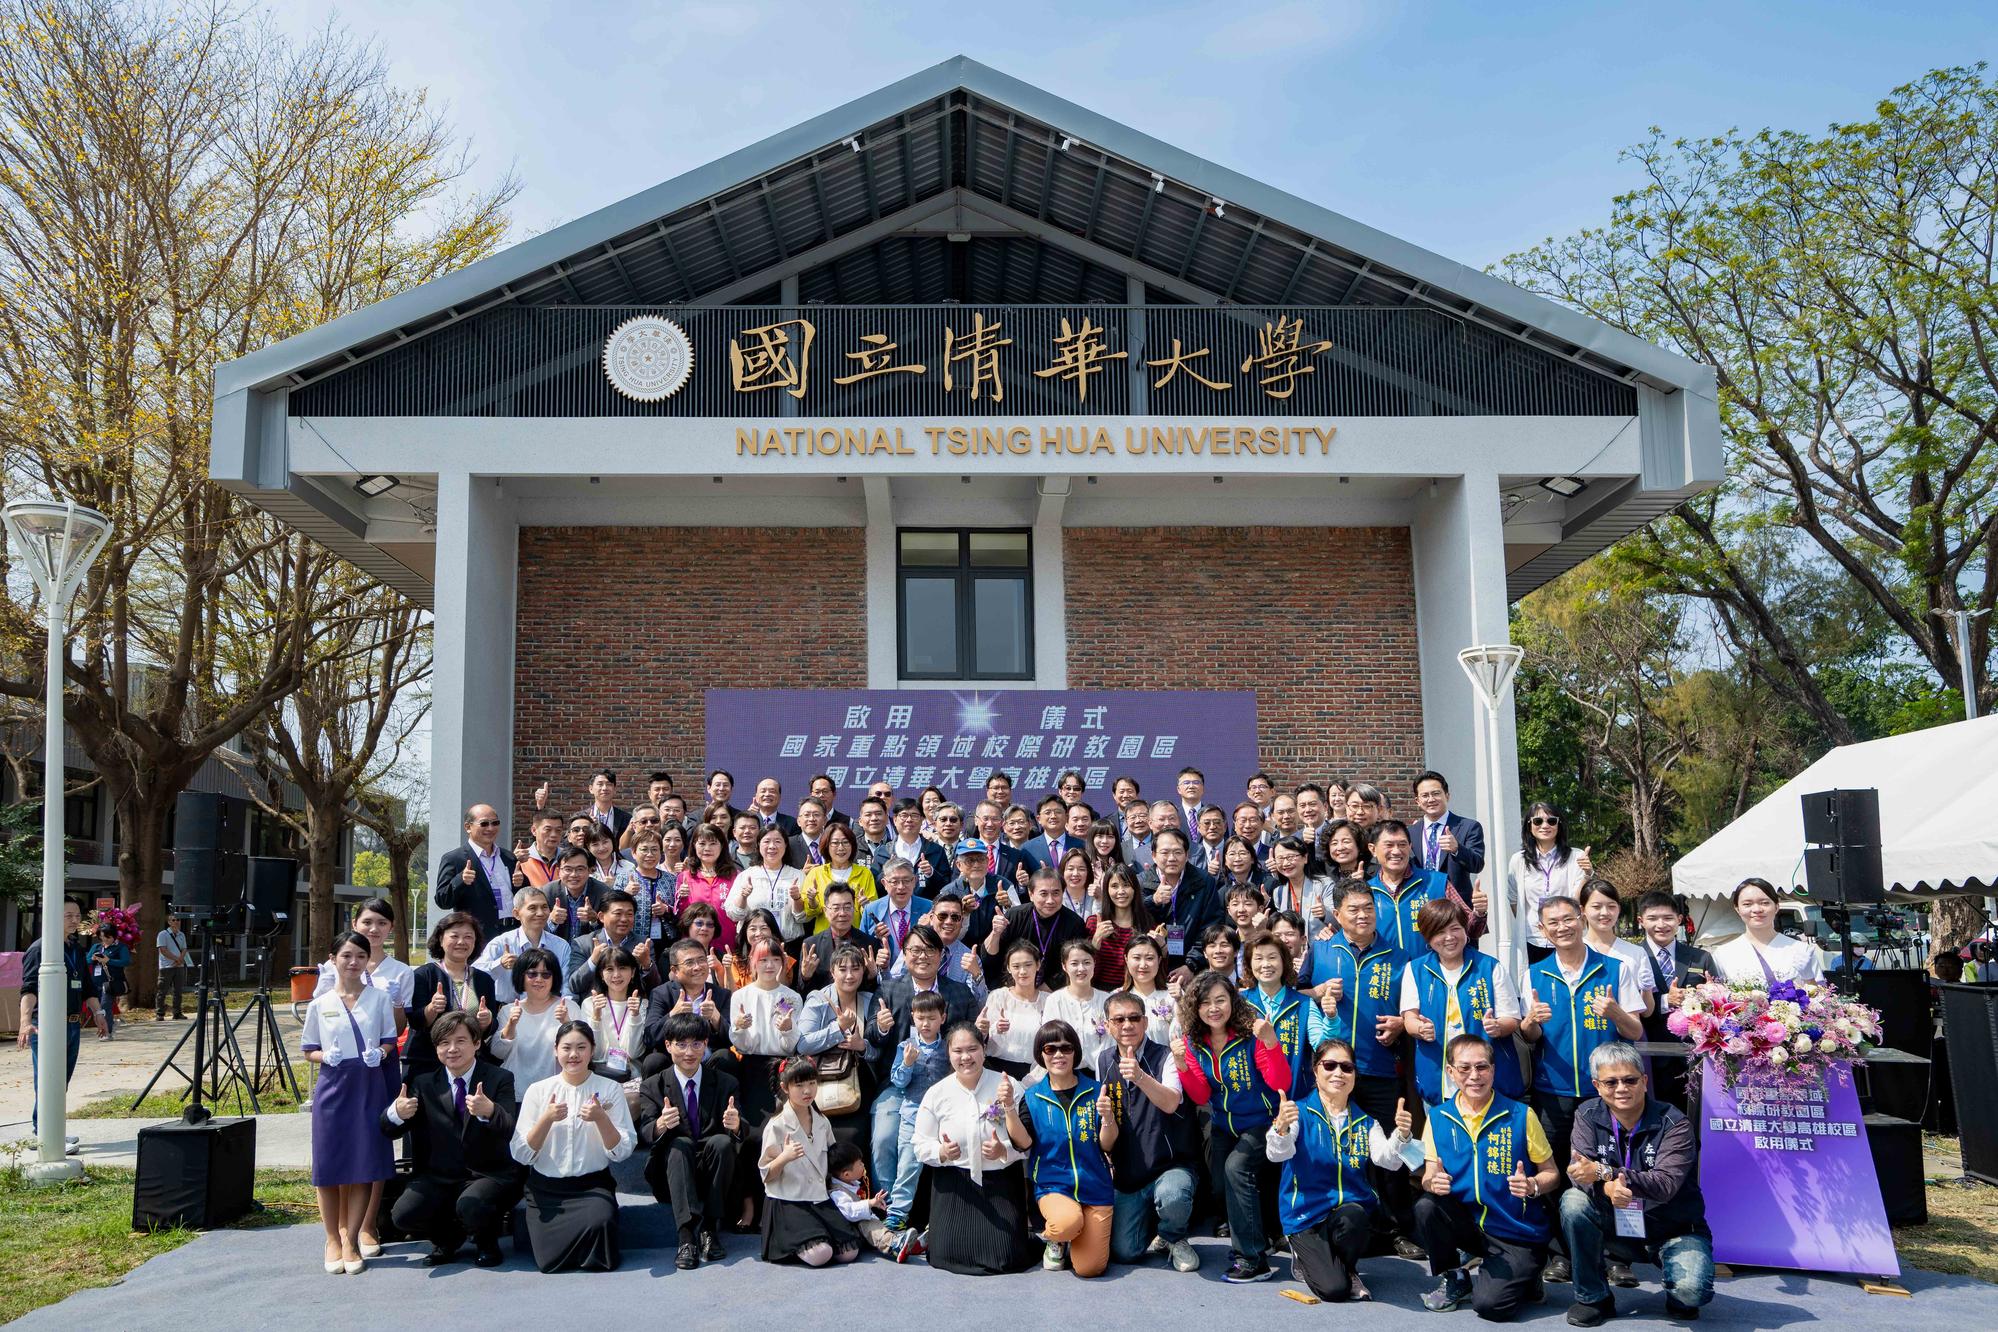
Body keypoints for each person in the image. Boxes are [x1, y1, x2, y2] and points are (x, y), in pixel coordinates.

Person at [1522, 894, 1644, 1281]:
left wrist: (1615, 1012)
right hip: (1554, 1090)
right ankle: (1562, 1254)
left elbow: (1635, 1030)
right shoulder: (1535, 974)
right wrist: (1531, 1022)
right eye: (1552, 923)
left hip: (1605, 1092)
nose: (1562, 927)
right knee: (1556, 1172)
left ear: (1580, 919)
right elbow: (1529, 1036)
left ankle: (1616, 1256)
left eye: (1568, 919)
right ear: (1542, 930)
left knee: (1613, 1170)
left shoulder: (1615, 968)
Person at [1559, 1042, 1714, 1325]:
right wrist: (1607, 1186)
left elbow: (1665, 1185)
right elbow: (1580, 1171)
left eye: (1630, 1080)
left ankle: (1677, 1293)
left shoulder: (1674, 1123)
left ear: (1644, 1081)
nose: (1621, 1088)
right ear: (1597, 1086)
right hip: (1616, 1224)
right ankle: (1593, 1298)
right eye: (1611, 1082)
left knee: (1691, 1293)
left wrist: (1604, 1172)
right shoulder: (1587, 1114)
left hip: (1671, 1227)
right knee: (1573, 1201)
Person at [1415, 1034, 1558, 1319]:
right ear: (1450, 1071)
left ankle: (1529, 1274)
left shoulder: (1521, 1115)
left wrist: (1532, 1185)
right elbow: (1429, 1175)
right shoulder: (1438, 1117)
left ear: (1493, 1069)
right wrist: (1433, 1182)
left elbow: (1551, 1173)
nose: (1474, 1076)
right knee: (1426, 1206)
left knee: (1491, 1306)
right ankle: (1455, 1276)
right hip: (1469, 1224)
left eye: (1482, 1067)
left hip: (1514, 1230)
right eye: (1464, 1068)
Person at [1265, 1037, 1418, 1302]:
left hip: (1346, 1216)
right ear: (1315, 1071)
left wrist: (1402, 1135)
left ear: (1355, 1076)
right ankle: (1304, 1256)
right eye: (1330, 1065)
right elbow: (1276, 1154)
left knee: (1356, 1216)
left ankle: (1348, 1268)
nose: (1338, 1073)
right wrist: (1281, 1128)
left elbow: (1388, 1160)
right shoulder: (1298, 1113)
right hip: (1305, 1217)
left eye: (1347, 1067)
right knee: (1334, 1290)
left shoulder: (1366, 1122)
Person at [1305, 880, 1411, 1241]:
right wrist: (1318, 991)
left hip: (1379, 1067)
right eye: (1353, 909)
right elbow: (1295, 993)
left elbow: (1412, 1010)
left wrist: (1401, 1024)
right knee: (1337, 1150)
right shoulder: (1321, 950)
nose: (1363, 915)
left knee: (1390, 1149)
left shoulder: (1399, 957)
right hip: (1333, 1073)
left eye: (1368, 907)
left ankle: (1397, 1229)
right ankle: (1336, 1225)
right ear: (1337, 914)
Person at [380, 1010, 523, 1268]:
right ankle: (447, 1239)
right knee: (403, 1214)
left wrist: (490, 1111)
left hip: (487, 1175)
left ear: (476, 1043)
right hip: (439, 1176)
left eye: (460, 1041)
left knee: (472, 1205)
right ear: (436, 1049)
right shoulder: (423, 1083)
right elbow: (388, 1130)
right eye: (444, 1043)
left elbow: (510, 1129)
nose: (452, 1049)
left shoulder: (499, 1078)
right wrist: (396, 1114)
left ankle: (486, 1242)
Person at [1174, 969, 1291, 1283]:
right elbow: (1201, 1095)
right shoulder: (1193, 1042)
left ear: (1232, 1002)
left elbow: (1280, 1082)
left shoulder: (1252, 1035)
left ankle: (1252, 1260)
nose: (1213, 1008)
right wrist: (1183, 1066)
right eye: (1205, 1002)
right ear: (1195, 1008)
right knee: (1220, 1184)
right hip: (1224, 1124)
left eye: (1220, 1000)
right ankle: (1259, 1239)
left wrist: (1271, 1042)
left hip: (1262, 1122)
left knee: (1236, 1169)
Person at [303, 930, 399, 1274]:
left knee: (363, 1165)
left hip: (368, 1087)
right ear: (333, 959)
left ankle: (351, 1239)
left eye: (360, 956)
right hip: (333, 1089)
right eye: (346, 955)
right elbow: (308, 1049)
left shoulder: (379, 999)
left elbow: (389, 1040)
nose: (353, 962)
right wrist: (324, 1056)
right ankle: (332, 1238)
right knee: (328, 1167)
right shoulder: (320, 1004)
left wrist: (381, 1053)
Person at [509, 1019, 634, 1271]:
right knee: (548, 1262)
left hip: (592, 1186)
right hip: (547, 1189)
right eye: (566, 1048)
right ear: (556, 1050)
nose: (573, 1054)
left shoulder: (610, 1089)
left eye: (581, 1047)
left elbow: (622, 1151)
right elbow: (521, 1153)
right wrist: (546, 1119)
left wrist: (601, 1118)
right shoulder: (538, 1091)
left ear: (592, 1050)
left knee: (600, 1226)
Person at [912, 1021, 1036, 1274]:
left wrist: (1004, 1151)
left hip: (1000, 1182)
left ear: (984, 1050)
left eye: (972, 1049)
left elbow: (1027, 1144)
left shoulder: (1008, 1085)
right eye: (958, 1051)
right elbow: (920, 1144)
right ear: (948, 1054)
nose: (965, 1057)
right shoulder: (937, 1093)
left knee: (1006, 1258)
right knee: (946, 1255)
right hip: (954, 1184)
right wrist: (941, 1152)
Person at [871, 925, 979, 1208]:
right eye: (915, 950)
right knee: (883, 1138)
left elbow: (972, 1035)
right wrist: (881, 1028)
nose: (922, 956)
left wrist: (983, 1031)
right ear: (904, 954)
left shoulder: (958, 992)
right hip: (897, 1084)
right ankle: (885, 1209)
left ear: (941, 955)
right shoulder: (888, 990)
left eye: (930, 950)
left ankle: (942, 1212)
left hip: (944, 1087)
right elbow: (871, 1036)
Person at [1007, 1019, 1119, 1277]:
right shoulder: (1033, 1097)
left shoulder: (1096, 1091)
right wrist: (1009, 1109)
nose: (1058, 1055)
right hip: (1053, 1186)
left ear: (1075, 1052)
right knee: (1067, 1222)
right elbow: (1024, 1143)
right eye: (1050, 1049)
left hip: (1096, 1186)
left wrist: (1108, 1118)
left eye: (1066, 1048)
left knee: (1090, 1268)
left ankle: (1076, 1232)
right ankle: (1056, 1238)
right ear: (1041, 1054)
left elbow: (1108, 1144)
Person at [1098, 990, 1199, 1272]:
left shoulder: (1165, 1056)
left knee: (1173, 1196)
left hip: (1170, 1165)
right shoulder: (1103, 1061)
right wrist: (1106, 1119)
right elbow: (1108, 1133)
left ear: (1145, 1022)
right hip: (1130, 1172)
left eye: (1134, 1018)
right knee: (1125, 1252)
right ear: (1107, 1025)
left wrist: (1140, 1076)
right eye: (1118, 1020)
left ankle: (1174, 1236)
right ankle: (1156, 1230)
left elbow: (1171, 1102)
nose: (1127, 1025)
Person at [637, 1011, 743, 1269]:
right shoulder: (653, 1086)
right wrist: (660, 1125)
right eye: (681, 1044)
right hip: (672, 1170)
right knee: (679, 1144)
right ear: (668, 1045)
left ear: (706, 1044)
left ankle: (709, 1229)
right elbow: (645, 1130)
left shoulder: (725, 1082)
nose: (689, 1052)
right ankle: (686, 1238)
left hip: (711, 1173)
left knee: (722, 1143)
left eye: (696, 1044)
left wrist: (737, 1125)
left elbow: (742, 1127)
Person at [1400, 899, 1524, 1104]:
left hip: (1485, 1079)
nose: (1449, 937)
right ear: (1427, 936)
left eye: (1455, 929)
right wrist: (1420, 1029)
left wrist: (1497, 1027)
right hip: (1439, 1076)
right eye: (1439, 932)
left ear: (1465, 930)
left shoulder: (1490, 967)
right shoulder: (1415, 970)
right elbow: (1409, 1018)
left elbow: (1511, 1019)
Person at [759, 1058, 861, 1265]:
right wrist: (784, 1157)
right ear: (785, 1088)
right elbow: (766, 1175)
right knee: (820, 1254)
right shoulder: (776, 1125)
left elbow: (833, 1159)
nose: (807, 1091)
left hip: (819, 1198)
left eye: (812, 1083)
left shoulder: (822, 1121)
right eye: (799, 1085)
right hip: (789, 1201)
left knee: (849, 1252)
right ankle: (792, 1243)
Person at [796, 943, 887, 1154]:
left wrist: (861, 1046)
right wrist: (838, 1028)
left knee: (858, 1139)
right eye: (843, 969)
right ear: (832, 971)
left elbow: (879, 1051)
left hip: (860, 1084)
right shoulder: (818, 999)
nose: (849, 975)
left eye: (855, 969)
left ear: (863, 971)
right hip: (823, 1081)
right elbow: (803, 1044)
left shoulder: (869, 1000)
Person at [885, 991, 952, 1227]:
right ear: (912, 1016)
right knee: (908, 1165)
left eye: (932, 1018)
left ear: (943, 1018)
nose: (926, 1024)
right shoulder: (906, 1046)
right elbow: (897, 1082)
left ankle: (943, 1219)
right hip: (912, 1114)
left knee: (946, 1165)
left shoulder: (949, 1048)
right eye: (921, 1018)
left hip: (943, 1116)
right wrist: (907, 1063)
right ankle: (897, 1215)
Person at [406, 911, 498, 1079]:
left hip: (470, 1065)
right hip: (429, 1064)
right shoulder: (423, 975)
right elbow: (415, 1021)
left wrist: (487, 1021)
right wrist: (431, 1009)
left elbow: (491, 1026)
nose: (461, 942)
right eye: (454, 936)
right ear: (441, 939)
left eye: (468, 937)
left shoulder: (484, 980)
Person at [1242, 929, 1331, 1092]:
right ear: (1249, 964)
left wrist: (1331, 1019)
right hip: (1254, 1100)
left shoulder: (1304, 1004)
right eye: (1258, 958)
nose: (1266, 964)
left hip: (1294, 1097)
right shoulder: (1240, 1003)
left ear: (1284, 962)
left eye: (1272, 957)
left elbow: (1323, 1046)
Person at [981, 866, 1088, 990]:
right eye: (1043, 894)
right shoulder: (1015, 916)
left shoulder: (1074, 923)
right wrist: (995, 934)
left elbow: (1074, 964)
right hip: (1012, 987)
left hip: (1052, 991)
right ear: (1031, 894)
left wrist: (1040, 993)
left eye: (1056, 893)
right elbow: (988, 958)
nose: (1050, 900)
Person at [1508, 803, 1592, 961]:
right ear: (1529, 826)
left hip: (1566, 936)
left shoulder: (1576, 857)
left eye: (1551, 821)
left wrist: (1587, 875)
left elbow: (1577, 900)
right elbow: (1514, 900)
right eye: (1538, 821)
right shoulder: (1518, 860)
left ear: (1559, 825)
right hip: (1532, 939)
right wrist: (1533, 922)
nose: (1545, 825)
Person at [1369, 820, 1459, 964]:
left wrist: (1479, 913)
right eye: (1389, 845)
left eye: (1402, 844)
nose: (1396, 851)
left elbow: (1467, 926)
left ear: (1410, 847)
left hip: (1430, 971)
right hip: (1386, 973)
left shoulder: (1436, 882)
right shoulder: (1366, 892)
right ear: (1373, 849)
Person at [1710, 877, 1825, 985]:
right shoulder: (1723, 954)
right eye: (1747, 904)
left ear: (1776, 906)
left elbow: (1822, 997)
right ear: (1737, 909)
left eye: (1764, 903)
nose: (1757, 909)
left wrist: (1809, 978)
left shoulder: (1802, 951)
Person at [1140, 829, 1220, 977]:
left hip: (1193, 970)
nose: (1171, 858)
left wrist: (1191, 964)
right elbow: (1133, 921)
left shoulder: (1203, 881)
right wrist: (1153, 900)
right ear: (1154, 856)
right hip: (1150, 968)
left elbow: (1210, 927)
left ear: (1187, 855)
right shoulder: (1140, 882)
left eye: (1177, 852)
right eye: (1165, 852)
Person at [475, 885, 573, 1004]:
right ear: (516, 913)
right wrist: (500, 964)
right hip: (508, 1009)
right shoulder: (501, 943)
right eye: (532, 908)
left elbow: (566, 986)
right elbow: (474, 975)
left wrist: (566, 1006)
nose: (540, 913)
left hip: (549, 1009)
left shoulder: (561, 946)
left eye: (544, 907)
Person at [1412, 771, 1488, 924]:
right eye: (1425, 795)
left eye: (1436, 793)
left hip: (1456, 909)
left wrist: (1457, 849)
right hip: (1421, 907)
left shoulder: (1468, 826)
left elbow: (1477, 864)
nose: (1431, 799)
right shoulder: (1410, 832)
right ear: (1417, 801)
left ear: (1447, 795)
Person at [828, 1140, 924, 1261]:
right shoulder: (837, 1192)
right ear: (846, 1174)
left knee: (878, 1225)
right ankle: (894, 1246)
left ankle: (906, 1243)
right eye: (859, 1164)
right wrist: (870, 1203)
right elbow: (848, 1211)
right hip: (853, 1230)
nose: (863, 1165)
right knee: (870, 1225)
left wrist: (874, 1204)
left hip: (864, 1226)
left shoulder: (851, 1184)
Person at [435, 803, 518, 940]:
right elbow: (442, 900)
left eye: (495, 823)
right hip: (479, 937)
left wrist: (520, 882)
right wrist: (460, 880)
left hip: (512, 932)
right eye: (484, 824)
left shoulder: (508, 857)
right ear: (468, 827)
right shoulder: (454, 859)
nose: (490, 828)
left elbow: (520, 894)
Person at [491, 948, 569, 1088]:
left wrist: (567, 1023)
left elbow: (582, 1049)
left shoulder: (568, 1007)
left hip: (555, 1090)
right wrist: (511, 1024)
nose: (539, 979)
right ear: (521, 976)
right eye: (532, 974)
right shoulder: (508, 1011)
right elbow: (498, 1052)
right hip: (515, 1089)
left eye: (546, 974)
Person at [581, 946, 651, 1098]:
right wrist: (596, 1017)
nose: (616, 975)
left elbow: (633, 1052)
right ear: (601, 974)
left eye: (622, 968)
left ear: (633, 972)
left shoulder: (641, 1004)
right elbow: (596, 1054)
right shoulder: (590, 1004)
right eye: (609, 969)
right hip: (598, 1075)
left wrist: (634, 1015)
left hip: (632, 1078)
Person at [728, 824, 808, 941]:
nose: (772, 846)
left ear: (786, 845)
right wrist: (743, 896)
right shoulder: (746, 876)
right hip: (754, 943)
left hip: (788, 944)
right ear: (758, 844)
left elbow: (803, 918)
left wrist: (797, 899)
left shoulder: (798, 876)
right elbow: (734, 915)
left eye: (777, 841)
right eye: (766, 841)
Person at [796, 822, 879, 934]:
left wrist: (865, 905)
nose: (841, 848)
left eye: (845, 842)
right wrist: (812, 900)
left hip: (856, 937)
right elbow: (809, 913)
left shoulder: (864, 873)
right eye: (835, 843)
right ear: (826, 846)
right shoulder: (816, 873)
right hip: (824, 938)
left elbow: (873, 913)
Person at [978, 940, 1045, 1079]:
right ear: (1009, 968)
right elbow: (983, 1036)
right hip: (996, 1069)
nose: (1023, 971)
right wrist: (994, 1028)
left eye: (1028, 965)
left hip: (1037, 1071)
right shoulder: (998, 996)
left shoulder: (1049, 1000)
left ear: (1038, 965)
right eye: (1016, 966)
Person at [1041, 938, 1112, 1067]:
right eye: (1074, 963)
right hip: (1064, 1071)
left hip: (1101, 1071)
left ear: (1094, 963)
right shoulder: (1055, 1000)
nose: (1081, 968)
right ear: (1064, 966)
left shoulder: (1107, 1001)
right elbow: (1050, 1041)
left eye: (1087, 962)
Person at [862, 858, 934, 973]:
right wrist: (876, 938)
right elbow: (862, 947)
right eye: (894, 882)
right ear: (884, 883)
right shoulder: (871, 910)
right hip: (883, 976)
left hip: (918, 974)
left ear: (914, 881)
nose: (901, 887)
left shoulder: (928, 908)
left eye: (906, 880)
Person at [1086, 864, 1152, 989]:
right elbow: (1086, 974)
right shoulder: (1094, 923)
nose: (1121, 891)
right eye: (1114, 886)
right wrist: (1095, 942)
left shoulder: (1147, 924)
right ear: (1107, 890)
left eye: (1126, 885)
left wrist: (1162, 948)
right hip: (1101, 993)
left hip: (1135, 992)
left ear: (1135, 889)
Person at [676, 825, 740, 948]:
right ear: (694, 845)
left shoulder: (735, 876)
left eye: (713, 843)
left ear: (722, 846)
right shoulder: (685, 877)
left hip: (727, 944)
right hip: (694, 946)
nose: (707, 848)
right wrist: (682, 898)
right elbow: (681, 916)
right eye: (702, 844)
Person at [878, 797, 951, 893]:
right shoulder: (883, 851)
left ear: (922, 820)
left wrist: (931, 873)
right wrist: (886, 872)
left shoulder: (936, 850)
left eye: (914, 815)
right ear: (895, 820)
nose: (909, 820)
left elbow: (947, 886)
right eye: (904, 815)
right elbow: (875, 887)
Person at [1119, 934, 1181, 1047]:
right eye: (1137, 958)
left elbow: (1184, 1036)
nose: (1143, 965)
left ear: (1159, 960)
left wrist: (1181, 1002)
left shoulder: (1173, 995)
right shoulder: (1117, 998)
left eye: (1149, 958)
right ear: (1126, 959)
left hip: (1168, 1057)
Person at [87, 924, 128, 1038]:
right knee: (94, 1007)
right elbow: (86, 960)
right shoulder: (96, 947)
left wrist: (109, 961)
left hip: (110, 982)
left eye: (107, 937)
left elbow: (125, 961)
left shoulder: (120, 947)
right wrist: (93, 959)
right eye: (102, 937)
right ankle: (111, 1023)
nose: (104, 939)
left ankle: (107, 1031)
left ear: (114, 936)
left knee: (105, 1005)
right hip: (95, 981)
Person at [154, 915, 190, 1020]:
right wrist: (176, 959)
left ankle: (177, 1013)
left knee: (178, 991)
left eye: (178, 920)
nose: (176, 922)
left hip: (179, 966)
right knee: (162, 990)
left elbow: (184, 949)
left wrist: (180, 960)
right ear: (169, 922)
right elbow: (163, 950)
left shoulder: (182, 935)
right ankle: (160, 1013)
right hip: (166, 966)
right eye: (174, 920)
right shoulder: (163, 934)